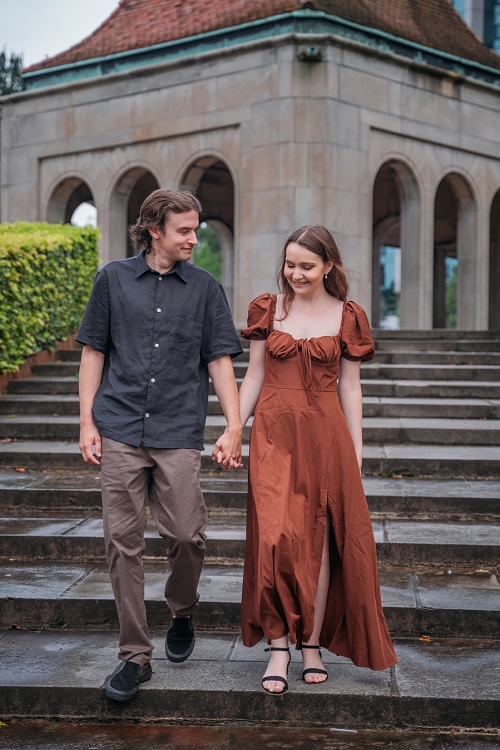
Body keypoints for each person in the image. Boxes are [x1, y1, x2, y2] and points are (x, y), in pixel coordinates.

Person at [77, 189, 243, 702]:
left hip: (178, 430)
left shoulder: (205, 288)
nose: (195, 238)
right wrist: (86, 421)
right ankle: (134, 656)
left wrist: (234, 425)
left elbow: (219, 361)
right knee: (122, 545)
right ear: (154, 230)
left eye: (196, 229)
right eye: (185, 230)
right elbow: (93, 353)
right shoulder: (113, 279)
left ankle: (182, 610)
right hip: (120, 427)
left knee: (188, 536)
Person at [238, 225, 397, 695]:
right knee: (274, 538)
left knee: (319, 540)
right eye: (290, 264)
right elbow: (254, 375)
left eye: (306, 265)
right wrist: (232, 428)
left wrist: (357, 451)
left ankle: (310, 645)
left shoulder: (349, 315)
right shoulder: (269, 308)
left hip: (327, 437)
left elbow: (351, 388)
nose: (296, 273)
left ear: (329, 265)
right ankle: (278, 646)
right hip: (273, 432)